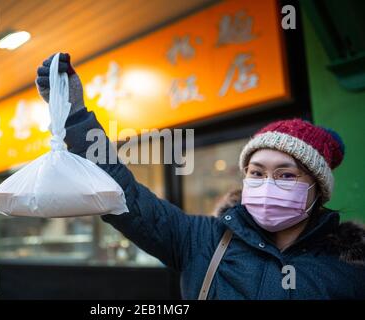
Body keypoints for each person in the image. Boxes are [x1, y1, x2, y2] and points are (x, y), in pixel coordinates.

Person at [36, 53, 365, 299]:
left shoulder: (350, 271)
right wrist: (74, 115)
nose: (267, 184)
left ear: (317, 189)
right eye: (256, 172)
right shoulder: (202, 240)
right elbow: (122, 196)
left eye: (285, 175)